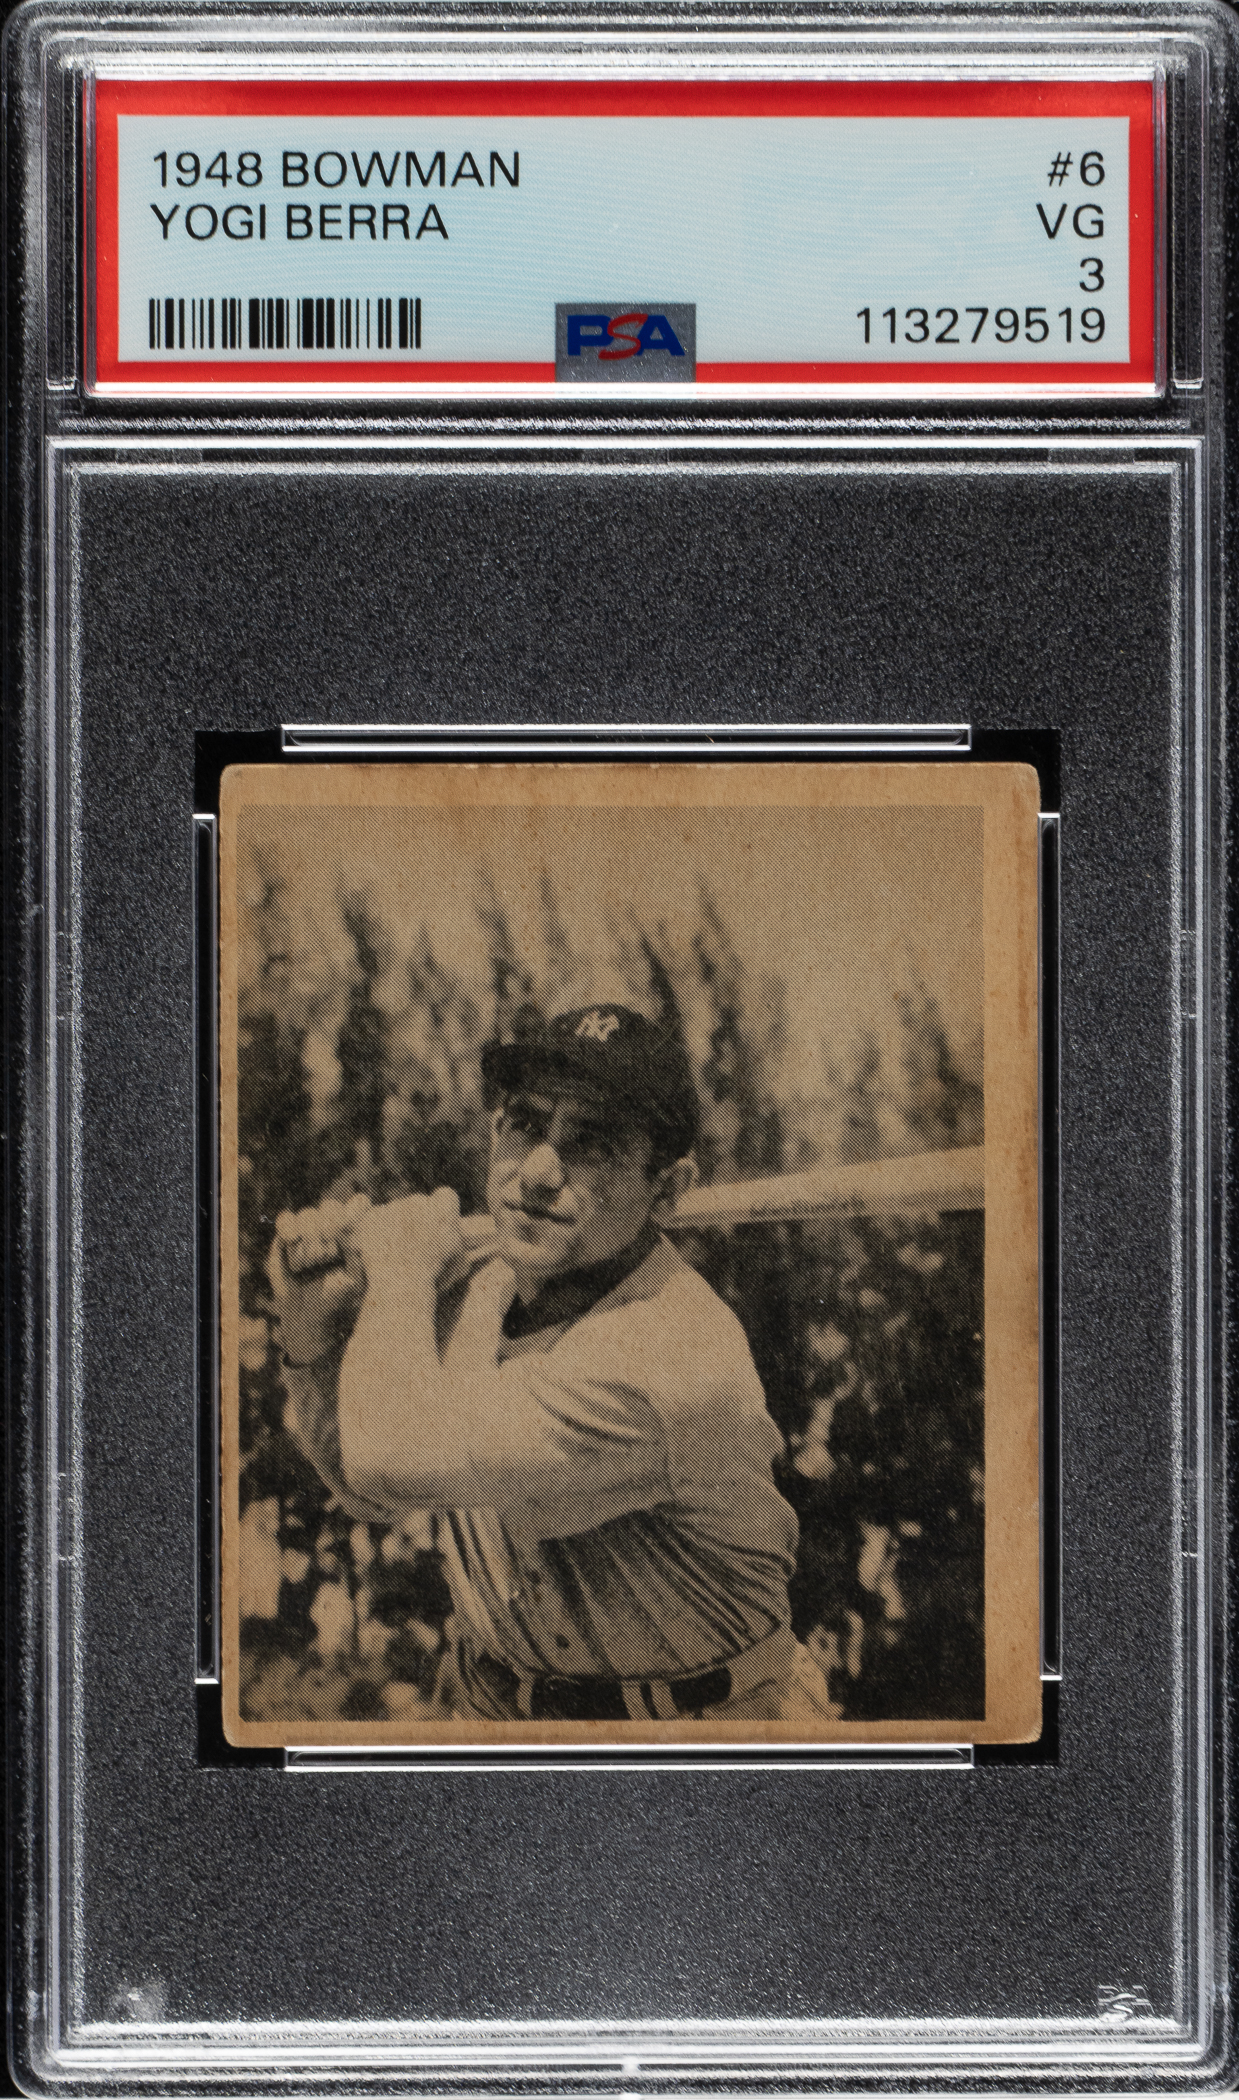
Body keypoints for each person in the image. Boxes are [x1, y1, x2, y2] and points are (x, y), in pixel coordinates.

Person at [271, 1005, 799, 1723]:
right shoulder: (471, 1289)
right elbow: (371, 1491)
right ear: (496, 1133)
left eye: (593, 1144)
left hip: (694, 1734)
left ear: (668, 1191)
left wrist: (398, 1274)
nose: (541, 1172)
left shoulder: (672, 1351)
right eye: (525, 1125)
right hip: (494, 1715)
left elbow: (388, 1460)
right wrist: (310, 1328)